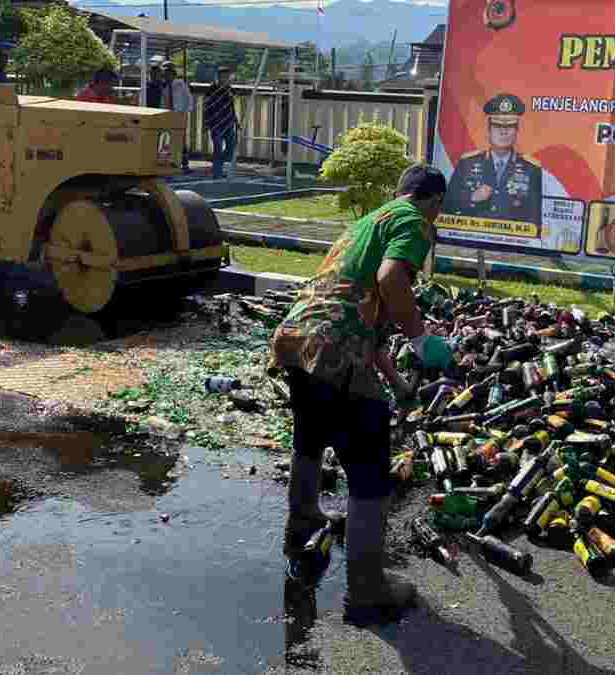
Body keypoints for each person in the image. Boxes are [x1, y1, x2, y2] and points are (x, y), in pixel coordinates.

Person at [268, 164, 454, 626]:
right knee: (370, 470)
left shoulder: (365, 225)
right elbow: (393, 281)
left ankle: (303, 524)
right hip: (336, 347)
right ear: (435, 202)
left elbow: (359, 315)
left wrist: (396, 381)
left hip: (299, 338)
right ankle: (369, 591)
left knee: (310, 438)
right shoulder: (414, 220)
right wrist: (419, 338)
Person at [444, 93, 542, 228]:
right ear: (489, 130)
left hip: (513, 244)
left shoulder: (531, 168)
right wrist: (472, 198)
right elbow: (447, 206)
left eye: (510, 126)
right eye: (497, 126)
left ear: (517, 131)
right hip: (472, 240)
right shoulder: (467, 163)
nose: (503, 132)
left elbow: (535, 219)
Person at [203, 66, 238, 180]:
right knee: (218, 148)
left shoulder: (229, 88)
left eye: (227, 77)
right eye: (222, 76)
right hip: (215, 123)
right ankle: (217, 172)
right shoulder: (211, 89)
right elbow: (206, 107)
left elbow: (231, 107)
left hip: (228, 122)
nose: (225, 78)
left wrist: (236, 121)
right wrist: (206, 123)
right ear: (217, 76)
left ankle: (218, 166)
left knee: (231, 148)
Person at [160, 61, 194, 172]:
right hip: (168, 116)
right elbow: (163, 103)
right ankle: (171, 162)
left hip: (179, 114)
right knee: (168, 140)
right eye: (165, 73)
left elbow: (188, 98)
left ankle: (185, 164)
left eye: (169, 72)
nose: (167, 75)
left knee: (182, 139)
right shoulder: (163, 86)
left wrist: (185, 112)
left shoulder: (180, 84)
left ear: (173, 73)